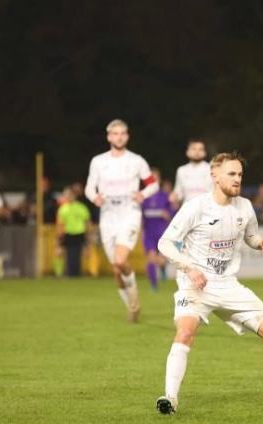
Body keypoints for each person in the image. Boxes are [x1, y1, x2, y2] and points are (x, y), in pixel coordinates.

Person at [155, 152, 263, 415]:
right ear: (214, 176)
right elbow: (165, 243)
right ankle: (169, 398)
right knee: (185, 331)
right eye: (231, 174)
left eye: (240, 174)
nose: (237, 179)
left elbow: (251, 236)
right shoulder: (196, 206)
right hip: (194, 285)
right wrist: (189, 267)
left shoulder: (244, 206)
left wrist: (261, 243)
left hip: (228, 285)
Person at [85, 119, 159, 323]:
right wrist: (95, 197)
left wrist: (142, 194)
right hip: (108, 215)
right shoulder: (98, 161)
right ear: (108, 136)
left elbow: (153, 184)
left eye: (122, 133)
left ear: (127, 136)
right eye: (115, 133)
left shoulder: (136, 160)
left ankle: (134, 299)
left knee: (120, 260)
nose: (119, 137)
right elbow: (89, 187)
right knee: (116, 269)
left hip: (129, 212)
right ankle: (132, 307)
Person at [142, 168, 175, 291]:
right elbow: (139, 214)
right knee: (151, 259)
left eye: (156, 178)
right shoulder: (143, 197)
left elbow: (172, 212)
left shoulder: (165, 196)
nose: (154, 180)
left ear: (159, 180)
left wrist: (169, 213)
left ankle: (162, 267)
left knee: (160, 260)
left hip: (162, 232)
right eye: (151, 178)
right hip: (149, 233)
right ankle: (154, 285)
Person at [56, 187, 92, 277]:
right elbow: (60, 224)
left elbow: (87, 222)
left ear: (74, 196)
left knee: (79, 254)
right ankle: (65, 272)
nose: (68, 197)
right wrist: (59, 237)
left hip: (79, 233)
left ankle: (77, 272)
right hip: (67, 234)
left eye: (69, 195)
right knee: (64, 254)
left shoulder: (81, 207)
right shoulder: (63, 208)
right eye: (66, 195)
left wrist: (88, 234)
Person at [170, 139, 213, 206]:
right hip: (187, 209)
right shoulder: (181, 170)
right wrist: (174, 196)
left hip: (207, 209)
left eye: (200, 149)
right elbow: (179, 192)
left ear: (205, 153)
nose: (197, 152)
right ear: (187, 152)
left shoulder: (211, 169)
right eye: (194, 149)